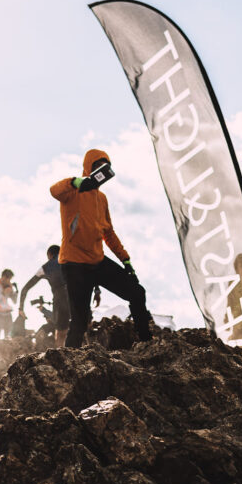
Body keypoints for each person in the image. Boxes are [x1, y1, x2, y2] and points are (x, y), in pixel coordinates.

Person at [50, 149, 152, 348]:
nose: (102, 170)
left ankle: (146, 343)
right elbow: (54, 190)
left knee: (137, 293)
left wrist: (126, 260)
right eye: (97, 166)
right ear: (88, 167)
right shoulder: (72, 191)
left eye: (106, 166)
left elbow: (109, 233)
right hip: (74, 265)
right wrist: (77, 182)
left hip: (98, 262)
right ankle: (69, 364)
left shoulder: (102, 198)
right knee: (79, 322)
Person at [19, 245, 72, 346]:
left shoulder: (45, 268)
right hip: (77, 294)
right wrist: (96, 291)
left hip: (60, 298)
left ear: (49, 255)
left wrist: (21, 308)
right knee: (82, 327)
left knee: (61, 333)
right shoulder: (72, 258)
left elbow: (25, 289)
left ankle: (61, 356)